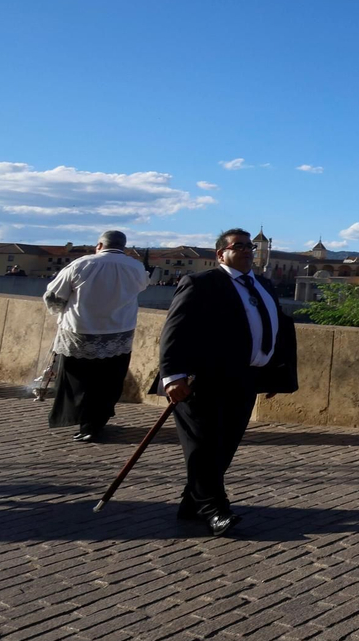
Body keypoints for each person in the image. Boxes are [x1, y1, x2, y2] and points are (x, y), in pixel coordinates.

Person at [156, 227, 297, 536]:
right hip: (201, 379)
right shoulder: (200, 283)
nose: (247, 250)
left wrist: (274, 371)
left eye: (250, 246)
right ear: (221, 254)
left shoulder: (263, 284)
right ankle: (214, 509)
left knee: (225, 446)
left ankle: (192, 502)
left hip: (244, 378)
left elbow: (276, 328)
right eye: (239, 246)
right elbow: (174, 331)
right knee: (204, 445)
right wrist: (172, 376)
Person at [43, 230, 150, 443]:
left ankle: (82, 422)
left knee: (78, 381)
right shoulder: (137, 267)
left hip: (80, 332)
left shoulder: (82, 264)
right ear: (124, 247)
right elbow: (142, 287)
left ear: (99, 245)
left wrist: (60, 310)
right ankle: (96, 424)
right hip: (119, 333)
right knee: (108, 382)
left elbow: (54, 295)